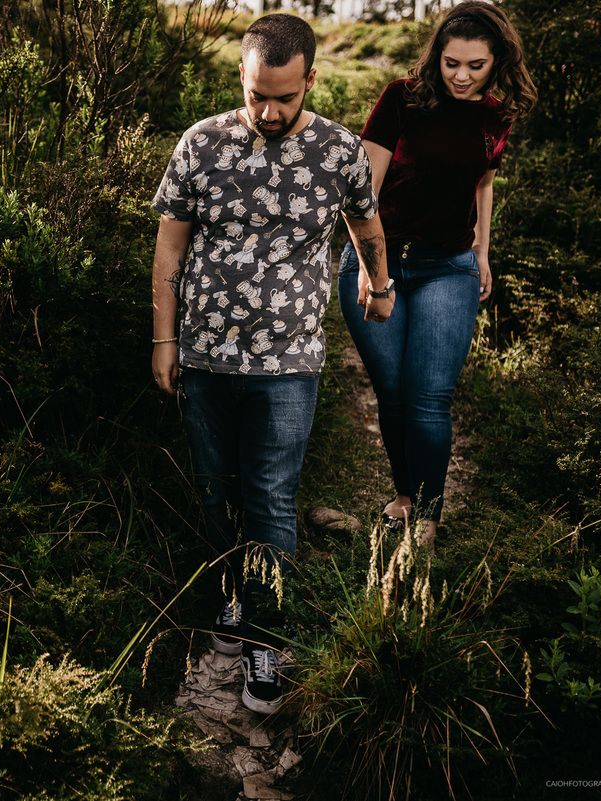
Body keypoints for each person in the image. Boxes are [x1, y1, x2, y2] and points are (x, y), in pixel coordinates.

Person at [150, 13, 393, 714]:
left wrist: (379, 285)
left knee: (271, 496)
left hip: (290, 361)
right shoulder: (201, 144)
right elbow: (169, 251)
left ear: (310, 80)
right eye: (258, 94)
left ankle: (265, 634)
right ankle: (230, 594)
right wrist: (164, 341)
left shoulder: (340, 151)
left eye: (284, 97)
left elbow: (366, 225)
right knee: (214, 487)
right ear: (243, 79)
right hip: (204, 354)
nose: (269, 111)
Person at [338, 0, 536, 545]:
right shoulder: (402, 99)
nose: (462, 76)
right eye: (452, 63)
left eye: (476, 65)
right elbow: (362, 191)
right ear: (437, 57)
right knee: (393, 393)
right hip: (383, 260)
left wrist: (482, 252)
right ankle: (404, 494)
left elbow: (483, 184)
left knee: (429, 398)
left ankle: (427, 516)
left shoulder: (496, 115)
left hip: (449, 267)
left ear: (497, 61)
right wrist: (371, 268)